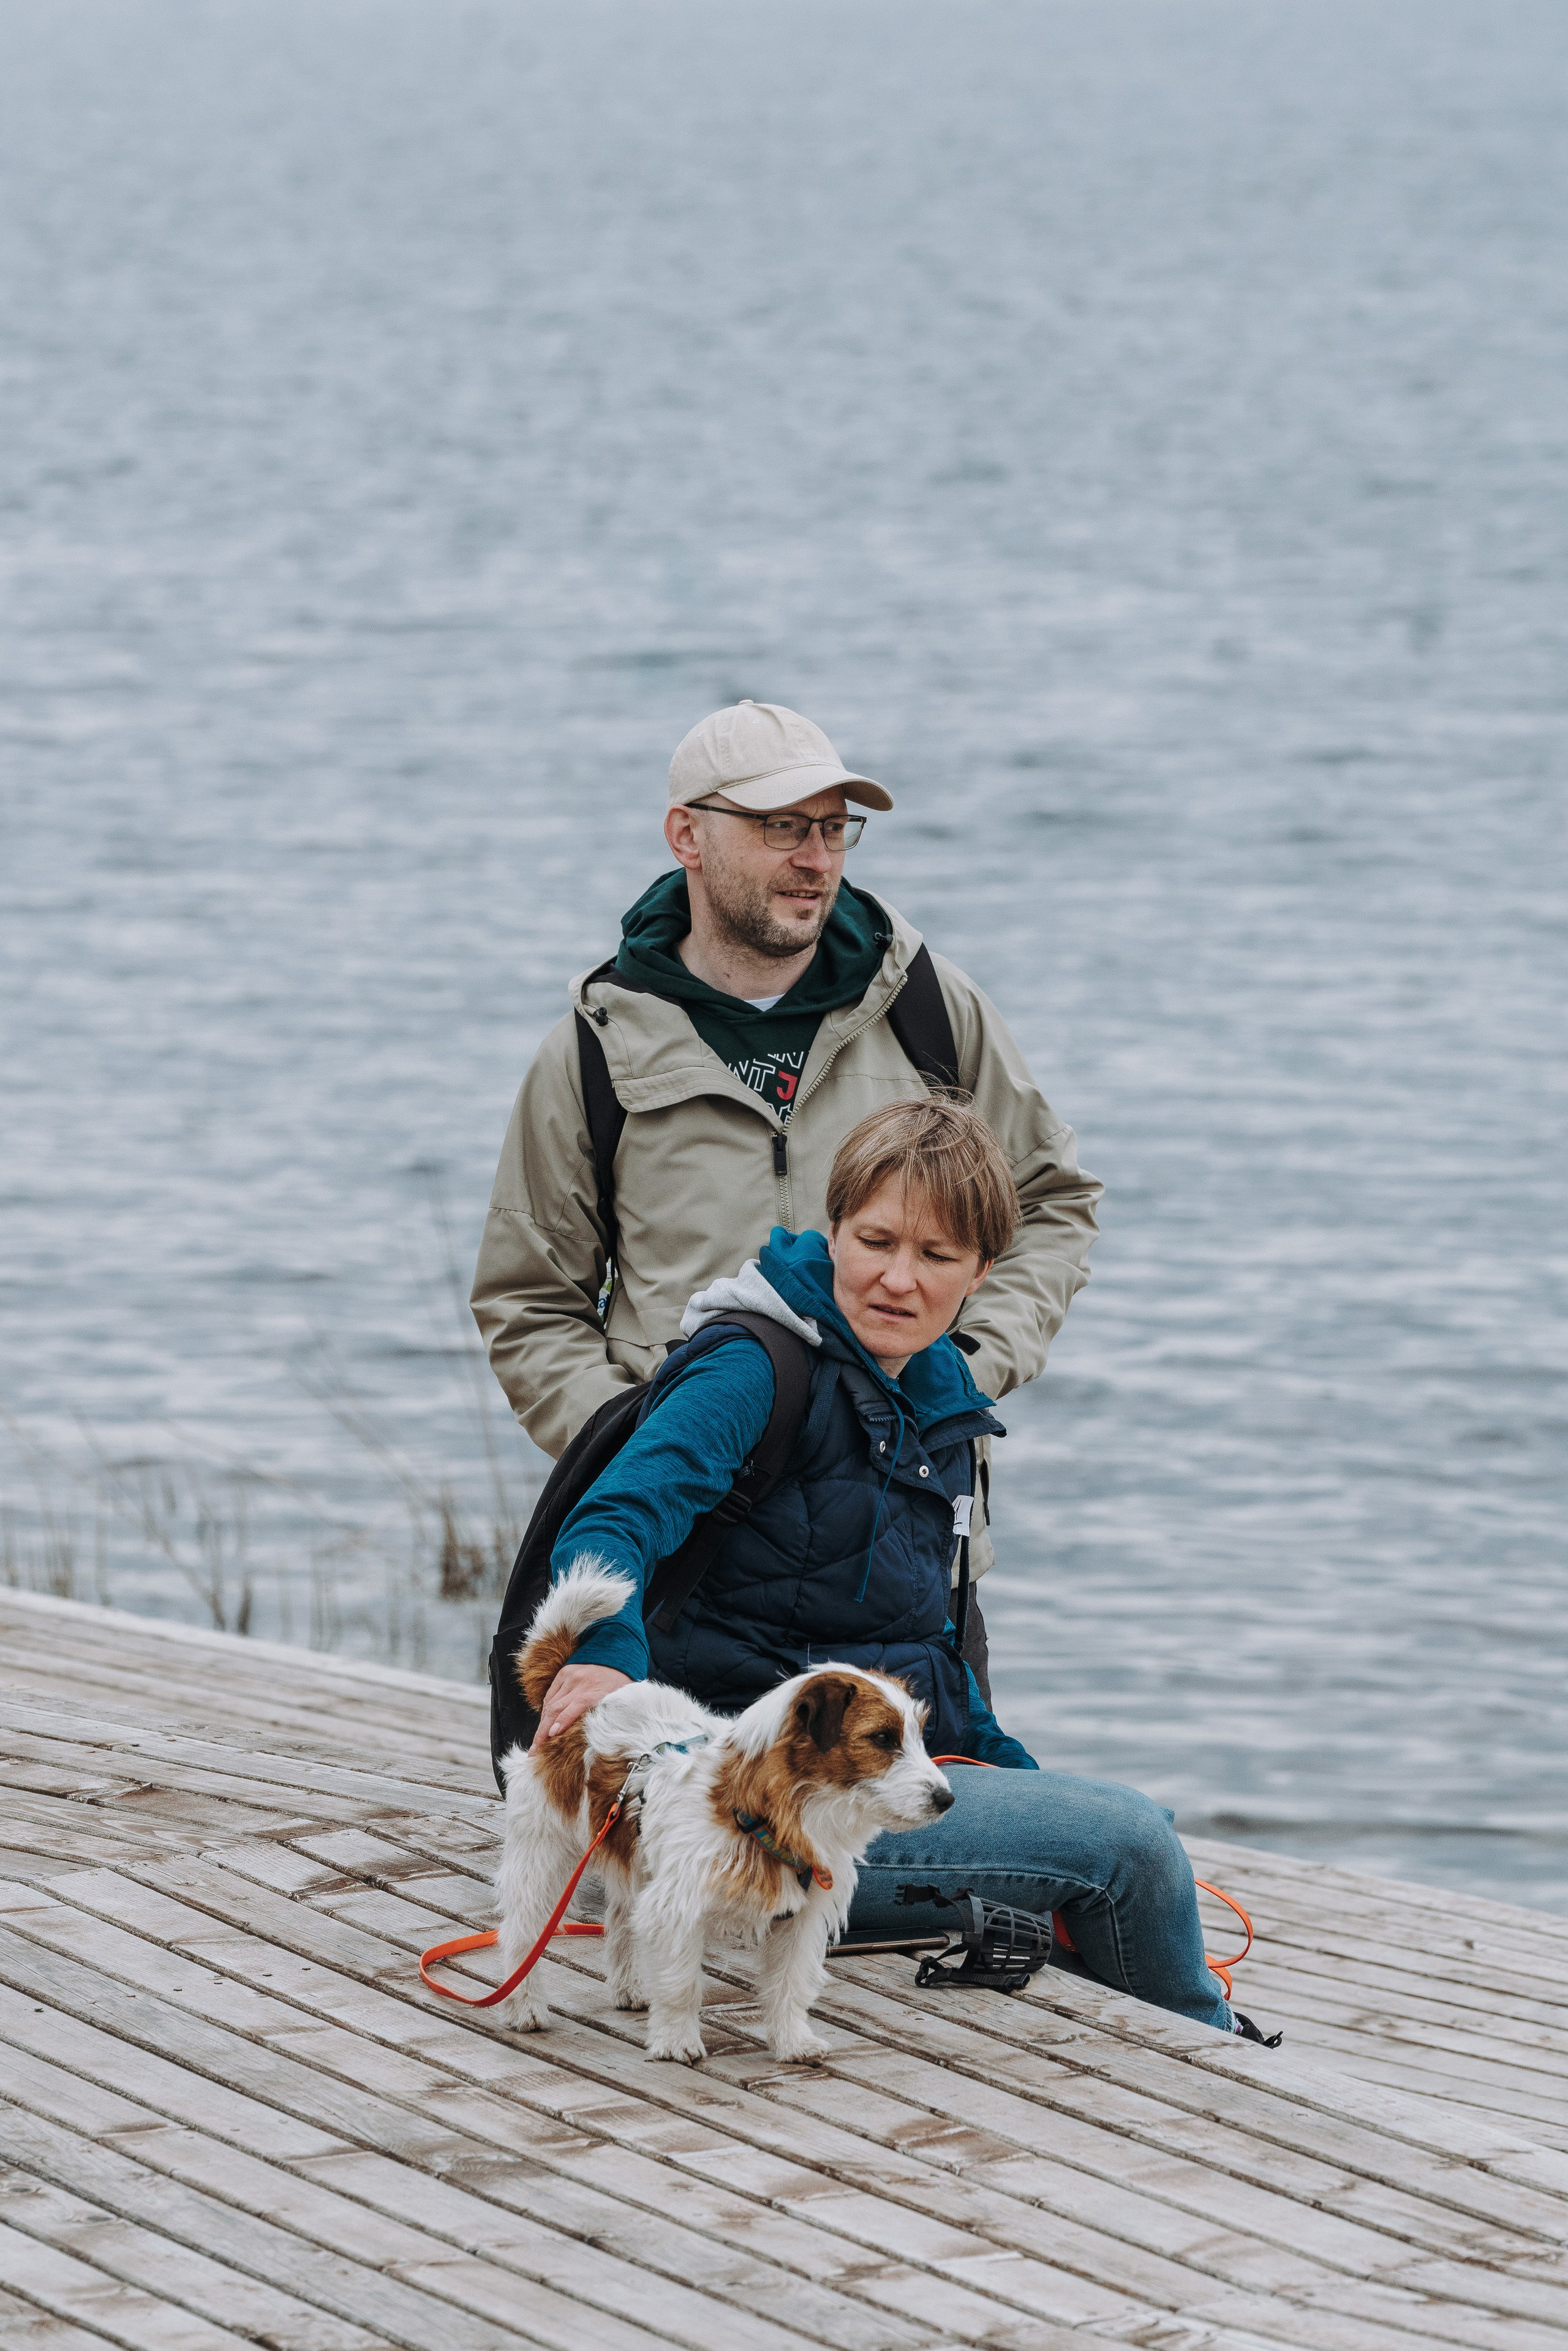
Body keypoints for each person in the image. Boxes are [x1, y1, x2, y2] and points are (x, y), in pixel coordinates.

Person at [529, 1097, 1242, 2036]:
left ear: (982, 1272)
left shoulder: (936, 1401)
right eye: (875, 1240)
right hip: (737, 1817)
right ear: (833, 1233)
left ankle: (1159, 2050)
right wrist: (608, 1651)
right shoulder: (751, 1369)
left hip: (871, 1783)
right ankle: (1225, 2062)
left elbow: (929, 1646)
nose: (897, 1280)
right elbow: (613, 1519)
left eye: (937, 1256)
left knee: (1124, 1819)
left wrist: (1021, 1782)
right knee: (1132, 1845)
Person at [472, 699, 1102, 1700]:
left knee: (942, 1838)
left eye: (832, 827)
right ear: (687, 832)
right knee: (691, 1852)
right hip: (693, 1577)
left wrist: (968, 1365)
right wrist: (646, 1439)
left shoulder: (933, 1012)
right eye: (780, 827)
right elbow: (526, 1300)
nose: (816, 858)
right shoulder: (596, 1051)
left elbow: (1052, 1202)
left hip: (904, 1573)